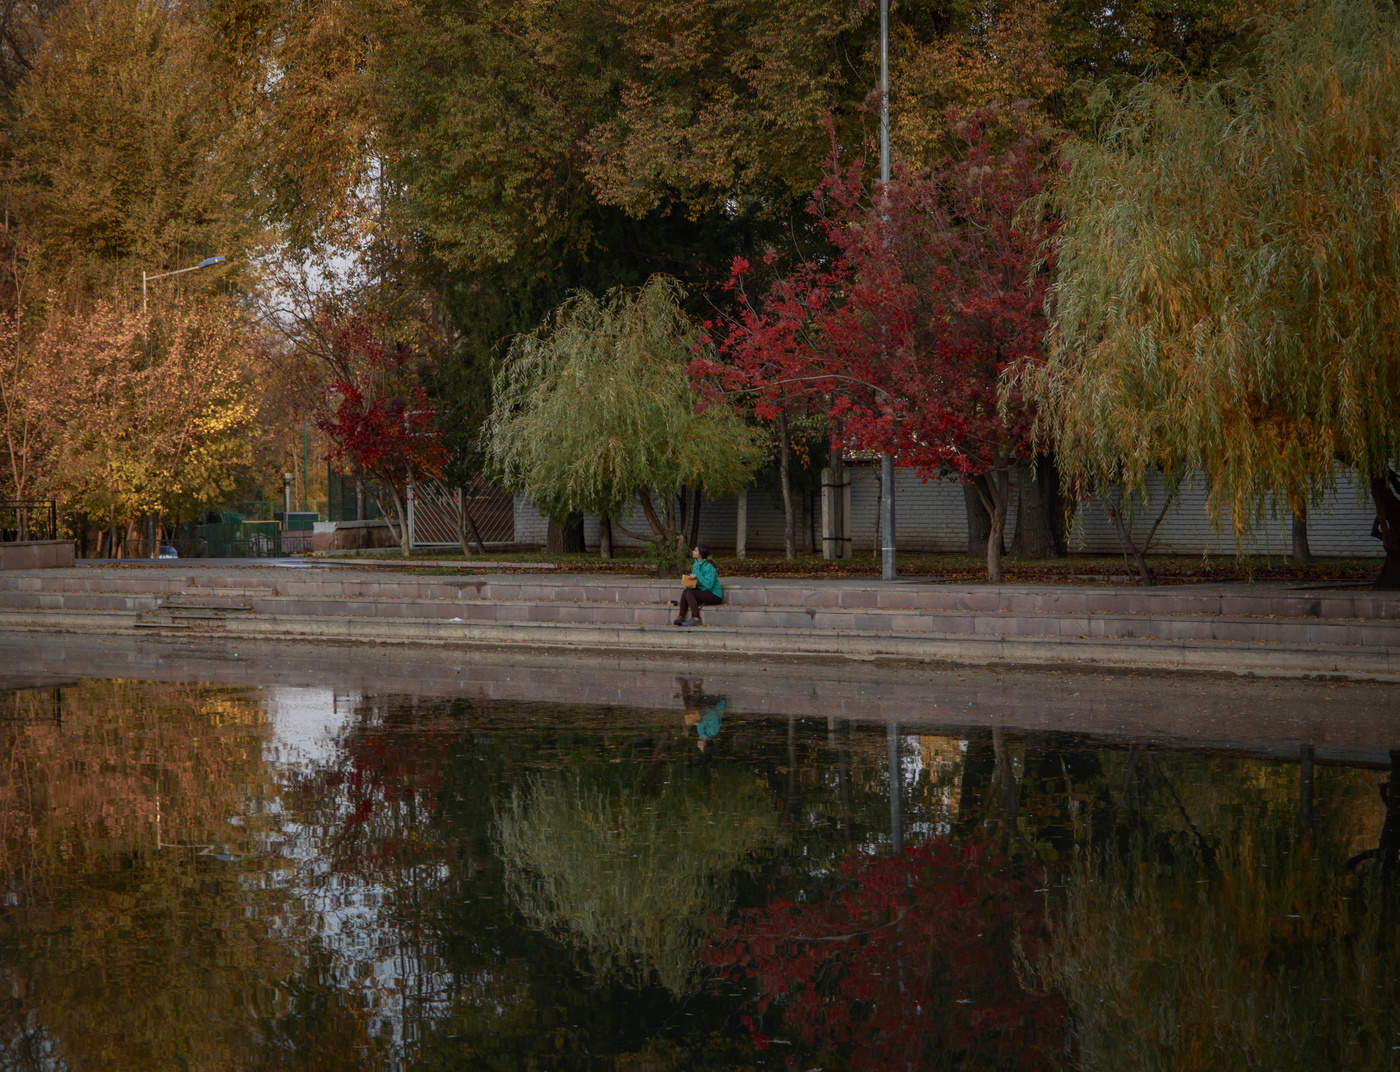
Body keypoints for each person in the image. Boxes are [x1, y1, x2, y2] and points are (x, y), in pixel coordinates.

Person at [674, 545, 722, 626]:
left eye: (695, 551)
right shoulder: (696, 565)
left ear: (700, 554)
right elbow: (697, 583)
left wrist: (697, 577)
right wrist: (690, 583)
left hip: (714, 595)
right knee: (686, 591)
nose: (693, 551)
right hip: (703, 592)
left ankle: (696, 618)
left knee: (690, 593)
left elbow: (709, 585)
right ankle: (681, 616)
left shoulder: (709, 566)